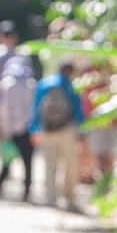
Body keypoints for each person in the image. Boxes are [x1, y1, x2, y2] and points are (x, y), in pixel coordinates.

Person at [0, 20, 37, 200]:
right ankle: (25, 190)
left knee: (6, 155)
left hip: (5, 119)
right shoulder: (30, 80)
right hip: (24, 124)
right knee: (25, 158)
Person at [30, 61, 88, 210]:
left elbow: (36, 108)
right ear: (70, 72)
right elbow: (78, 110)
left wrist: (34, 129)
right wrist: (81, 132)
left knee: (50, 164)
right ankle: (69, 196)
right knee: (70, 164)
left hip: (47, 130)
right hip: (66, 131)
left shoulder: (43, 84)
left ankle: (50, 198)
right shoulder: (71, 86)